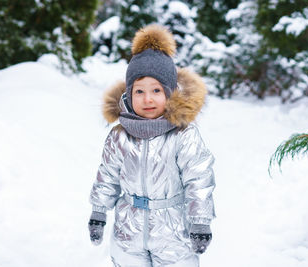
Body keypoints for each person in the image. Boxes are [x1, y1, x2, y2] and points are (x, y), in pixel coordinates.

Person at [88, 24, 216, 267]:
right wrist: (98, 211)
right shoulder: (119, 136)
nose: (147, 99)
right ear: (128, 94)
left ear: (170, 93)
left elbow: (198, 177)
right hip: (128, 229)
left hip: (174, 231)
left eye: (156, 90)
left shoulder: (183, 135)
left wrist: (200, 219)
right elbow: (107, 175)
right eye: (139, 91)